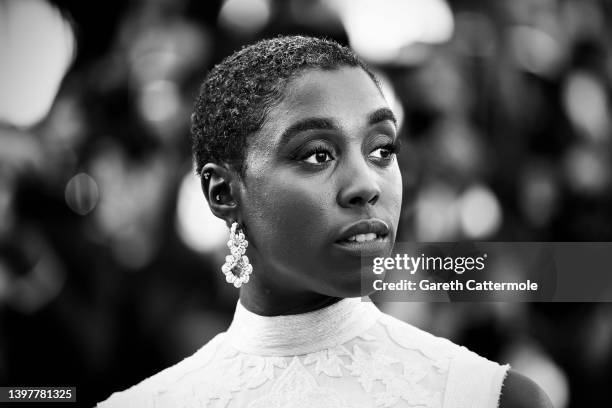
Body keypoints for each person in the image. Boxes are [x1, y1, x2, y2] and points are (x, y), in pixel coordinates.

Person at [97, 36, 552, 408]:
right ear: (223, 193)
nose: (366, 185)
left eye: (381, 150)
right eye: (318, 154)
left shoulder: (496, 398)